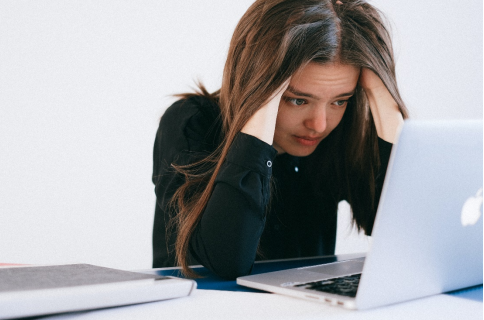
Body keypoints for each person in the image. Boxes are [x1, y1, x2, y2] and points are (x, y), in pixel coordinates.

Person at [152, 0, 408, 280]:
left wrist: (385, 97)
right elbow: (227, 260)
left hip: (304, 314)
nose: (319, 125)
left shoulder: (338, 133)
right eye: (297, 100)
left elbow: (404, 235)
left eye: (339, 101)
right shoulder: (191, 123)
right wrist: (261, 101)